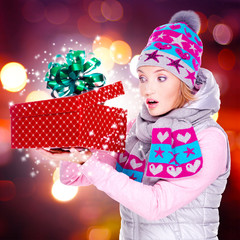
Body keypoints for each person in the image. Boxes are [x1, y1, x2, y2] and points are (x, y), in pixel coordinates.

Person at [37, 10, 230, 240]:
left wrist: (86, 160)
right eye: (143, 77)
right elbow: (75, 178)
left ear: (184, 81)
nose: (147, 89)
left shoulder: (208, 136)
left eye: (161, 77)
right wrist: (74, 148)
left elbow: (155, 205)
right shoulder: (134, 130)